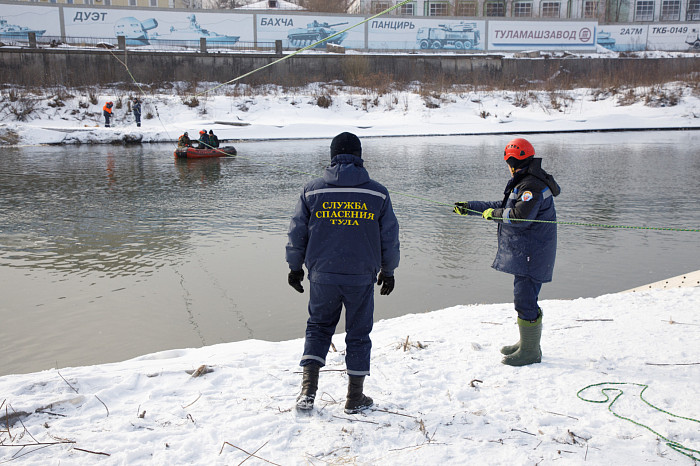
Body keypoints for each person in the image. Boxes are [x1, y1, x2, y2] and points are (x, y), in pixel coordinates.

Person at [286, 132, 400, 414]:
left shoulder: (312, 190)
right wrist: (389, 271)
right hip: (361, 276)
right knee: (359, 333)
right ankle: (354, 397)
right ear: (360, 156)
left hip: (323, 275)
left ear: (332, 156)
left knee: (318, 327)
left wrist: (294, 267)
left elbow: (297, 232)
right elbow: (389, 237)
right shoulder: (377, 192)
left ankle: (307, 393)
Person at [453, 138, 560, 367]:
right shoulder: (525, 181)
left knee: (524, 298)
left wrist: (493, 214)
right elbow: (504, 205)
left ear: (512, 161)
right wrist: (470, 207)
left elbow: (519, 217)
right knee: (523, 296)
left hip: (533, 252)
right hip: (529, 251)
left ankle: (531, 351)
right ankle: (526, 344)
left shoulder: (530, 186)